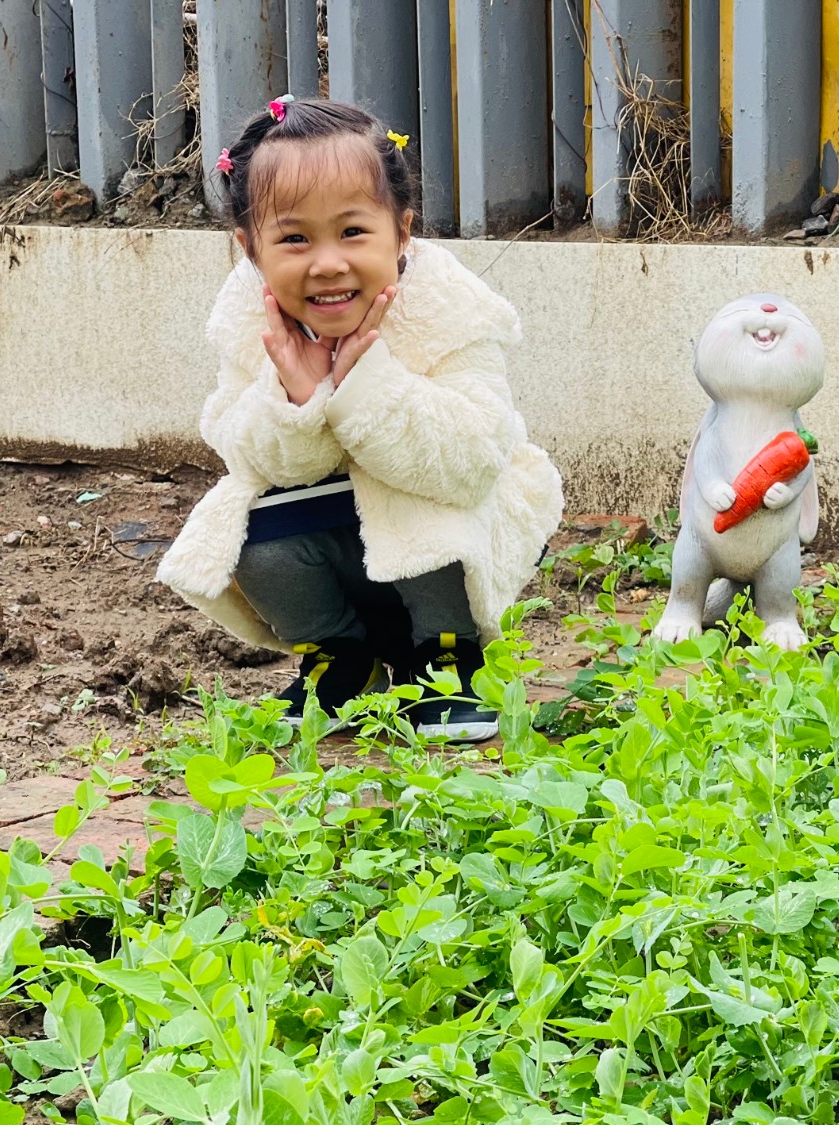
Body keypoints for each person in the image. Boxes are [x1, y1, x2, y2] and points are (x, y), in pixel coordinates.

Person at [156, 97, 562, 742]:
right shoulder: (250, 319)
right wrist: (299, 398)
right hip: (338, 554)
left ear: (401, 232)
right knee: (241, 520)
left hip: (451, 543)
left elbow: (472, 461)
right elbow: (244, 453)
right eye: (294, 238)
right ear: (251, 249)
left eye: (353, 231)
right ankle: (341, 655)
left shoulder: (449, 307)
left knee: (425, 485)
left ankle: (449, 655)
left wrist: (363, 387)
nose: (327, 263)